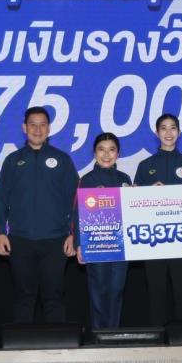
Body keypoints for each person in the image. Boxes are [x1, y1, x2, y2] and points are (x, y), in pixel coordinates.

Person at [0, 107, 79, 323]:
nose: (37, 129)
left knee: (54, 298)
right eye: (33, 124)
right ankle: (22, 352)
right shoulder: (12, 160)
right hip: (20, 240)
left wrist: (73, 235)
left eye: (42, 124)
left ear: (49, 129)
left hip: (56, 240)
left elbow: (76, 200)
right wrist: (1, 233)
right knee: (24, 297)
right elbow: (1, 198)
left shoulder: (62, 160)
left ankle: (59, 351)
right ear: (24, 128)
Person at [133, 114, 182, 326]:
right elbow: (135, 205)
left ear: (179, 132)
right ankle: (158, 339)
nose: (168, 133)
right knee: (156, 293)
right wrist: (145, 193)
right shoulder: (145, 166)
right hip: (154, 242)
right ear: (156, 133)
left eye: (173, 128)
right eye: (163, 128)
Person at [74, 133, 133, 331]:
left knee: (117, 290)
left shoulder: (125, 179)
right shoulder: (87, 180)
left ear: (118, 153)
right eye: (101, 149)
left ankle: (113, 332)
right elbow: (77, 214)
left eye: (111, 149)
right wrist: (78, 245)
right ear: (94, 152)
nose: (106, 154)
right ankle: (99, 333)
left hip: (120, 246)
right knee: (98, 291)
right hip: (95, 244)